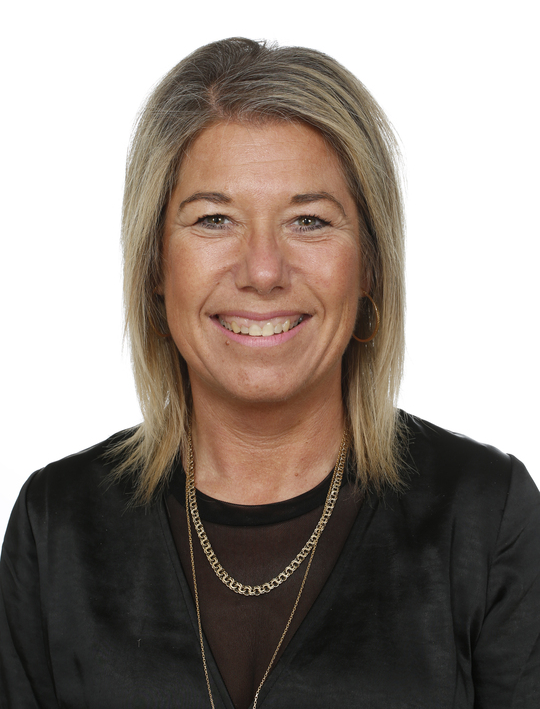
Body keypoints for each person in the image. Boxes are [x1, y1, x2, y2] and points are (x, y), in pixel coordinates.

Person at [1, 37, 539, 709]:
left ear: (370, 266)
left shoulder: (485, 516)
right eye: (215, 219)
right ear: (155, 267)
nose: (262, 270)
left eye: (308, 220)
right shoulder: (56, 525)